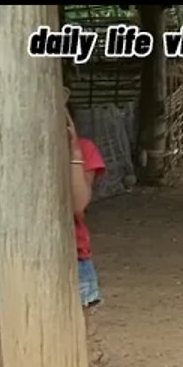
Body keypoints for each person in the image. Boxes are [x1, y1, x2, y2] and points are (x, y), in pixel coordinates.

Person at [67, 104, 106, 337]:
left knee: (75, 340)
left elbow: (77, 206)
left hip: (73, 257)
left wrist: (74, 155)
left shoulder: (84, 148)